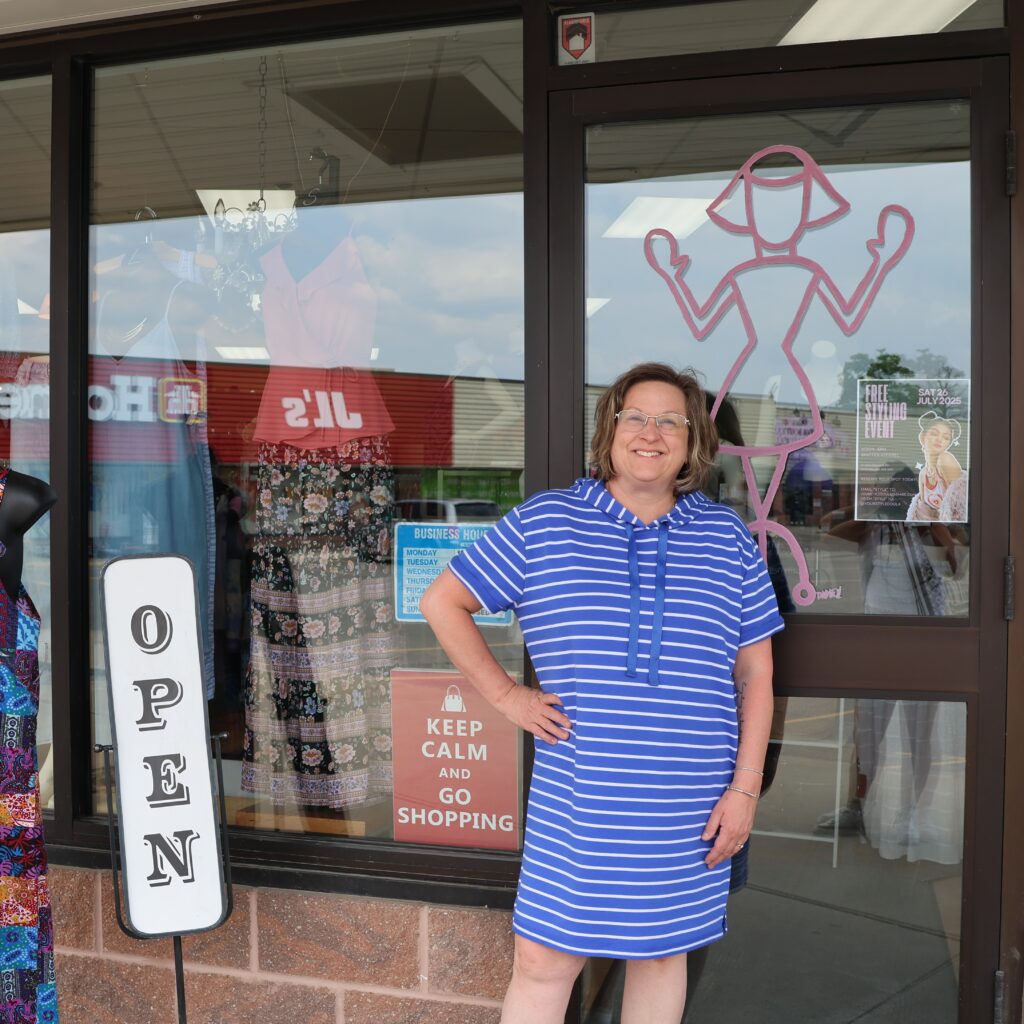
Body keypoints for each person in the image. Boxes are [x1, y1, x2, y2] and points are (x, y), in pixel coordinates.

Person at [420, 362, 784, 1024]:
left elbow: (756, 672)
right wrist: (506, 697)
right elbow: (444, 601)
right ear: (609, 430)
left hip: (689, 800)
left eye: (670, 420)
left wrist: (746, 789)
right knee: (542, 960)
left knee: (661, 956)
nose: (651, 433)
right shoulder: (547, 522)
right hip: (581, 794)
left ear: (692, 439)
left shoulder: (727, 538)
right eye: (635, 417)